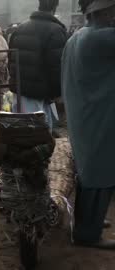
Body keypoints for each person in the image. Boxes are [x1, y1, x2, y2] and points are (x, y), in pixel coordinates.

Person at [62, 0, 115, 249]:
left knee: (88, 172)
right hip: (100, 115)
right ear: (104, 12)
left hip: (83, 114)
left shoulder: (77, 36)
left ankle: (87, 222)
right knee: (101, 173)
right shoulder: (102, 38)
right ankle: (88, 234)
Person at [8, 0, 67, 130]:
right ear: (55, 8)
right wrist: (57, 94)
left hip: (20, 92)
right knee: (39, 135)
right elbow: (56, 68)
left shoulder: (20, 29)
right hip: (39, 95)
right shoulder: (56, 31)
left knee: (21, 133)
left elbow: (10, 60)